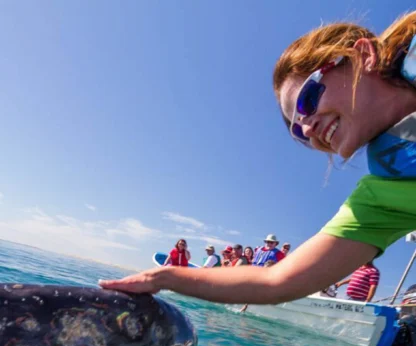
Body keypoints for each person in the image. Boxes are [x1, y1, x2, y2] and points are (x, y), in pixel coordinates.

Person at [99, 13, 416, 308]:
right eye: (297, 130)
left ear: (364, 57)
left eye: (307, 99)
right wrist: (165, 277)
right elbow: (277, 281)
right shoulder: (380, 199)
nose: (307, 127)